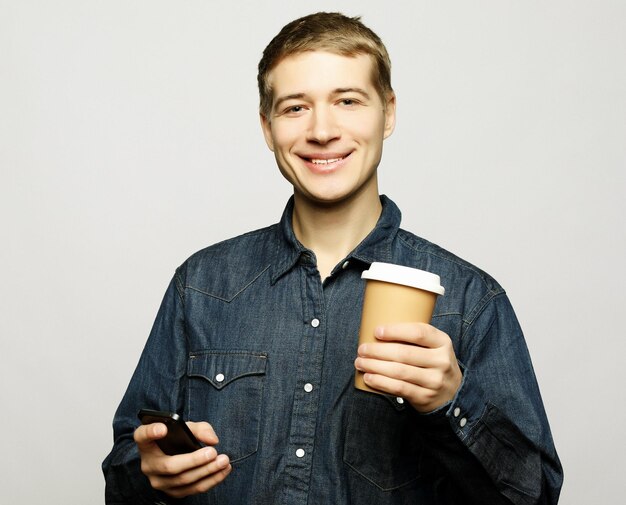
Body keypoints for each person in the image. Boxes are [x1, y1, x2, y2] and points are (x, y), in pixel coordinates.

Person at [103, 12, 563, 504]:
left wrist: (452, 403)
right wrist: (146, 472)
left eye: (347, 101)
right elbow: (124, 473)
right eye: (295, 107)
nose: (322, 130)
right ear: (267, 127)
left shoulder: (469, 300)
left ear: (387, 112)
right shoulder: (201, 284)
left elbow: (533, 496)